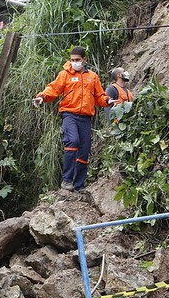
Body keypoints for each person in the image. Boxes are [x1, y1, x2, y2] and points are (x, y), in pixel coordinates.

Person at [32, 46, 112, 191]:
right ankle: (67, 180)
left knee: (84, 150)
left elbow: (99, 96)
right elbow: (53, 89)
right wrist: (41, 96)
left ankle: (79, 184)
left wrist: (107, 101)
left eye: (77, 60)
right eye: (72, 60)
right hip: (69, 114)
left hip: (86, 117)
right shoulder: (65, 74)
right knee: (73, 141)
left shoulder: (92, 76)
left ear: (84, 60)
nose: (74, 62)